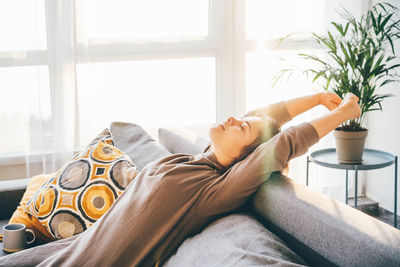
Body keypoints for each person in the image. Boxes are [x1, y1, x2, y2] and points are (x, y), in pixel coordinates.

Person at [0, 92, 361, 267]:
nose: (235, 118)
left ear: (243, 156)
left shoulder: (214, 189)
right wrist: (315, 98)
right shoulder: (195, 159)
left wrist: (346, 112)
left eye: (242, 127)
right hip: (65, 254)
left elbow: (284, 142)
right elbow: (263, 118)